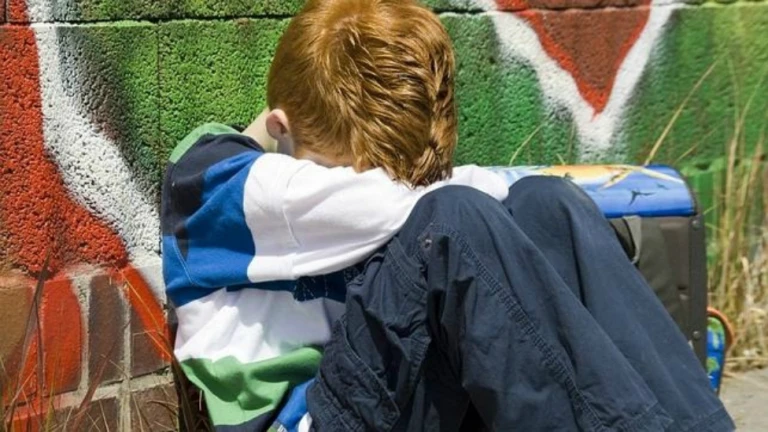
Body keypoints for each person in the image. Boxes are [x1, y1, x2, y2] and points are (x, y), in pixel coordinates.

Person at [162, 0, 734, 430]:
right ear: (281, 130)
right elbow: (412, 203)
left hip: (392, 398)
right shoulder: (218, 182)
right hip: (312, 418)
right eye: (346, 174)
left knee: (547, 205)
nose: (365, 184)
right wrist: (457, 190)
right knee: (451, 220)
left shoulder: (316, 176)